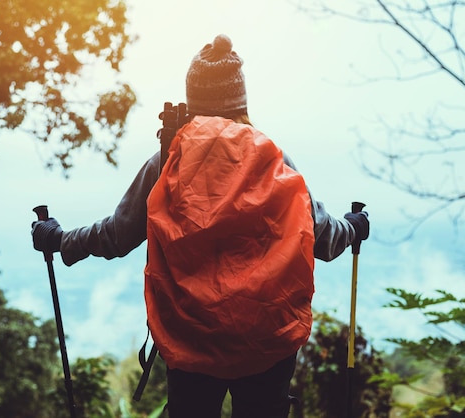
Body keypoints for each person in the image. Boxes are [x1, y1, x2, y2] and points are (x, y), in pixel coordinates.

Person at [31, 34, 369, 418]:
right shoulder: (274, 159)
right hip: (266, 338)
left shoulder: (167, 162)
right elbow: (323, 239)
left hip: (191, 340)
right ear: (241, 101)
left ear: (193, 100)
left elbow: (117, 235)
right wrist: (355, 227)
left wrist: (60, 241)